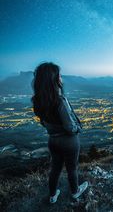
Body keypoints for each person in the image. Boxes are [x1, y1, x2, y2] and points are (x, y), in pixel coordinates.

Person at [31, 62, 88, 204]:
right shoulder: (60, 101)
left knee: (55, 168)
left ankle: (52, 195)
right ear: (54, 80)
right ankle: (75, 192)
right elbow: (69, 127)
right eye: (60, 75)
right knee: (72, 168)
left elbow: (43, 122)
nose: (61, 78)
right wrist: (78, 129)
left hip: (52, 140)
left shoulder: (37, 101)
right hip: (68, 141)